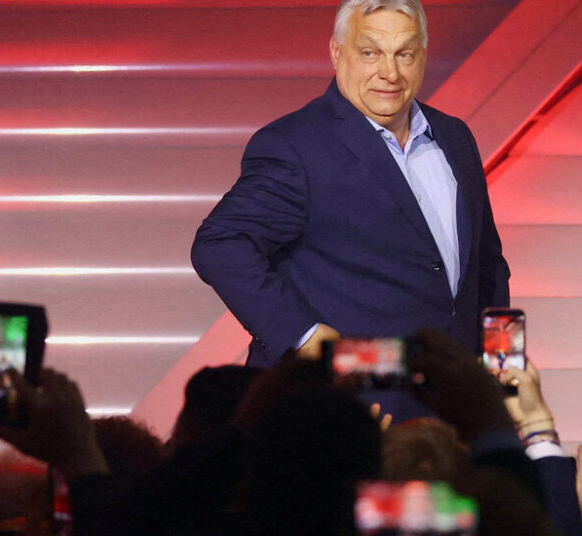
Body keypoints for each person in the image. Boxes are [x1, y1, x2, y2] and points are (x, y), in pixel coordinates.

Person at [190, 0, 510, 368]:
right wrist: (302, 335)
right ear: (337, 52)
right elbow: (220, 243)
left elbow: (488, 265)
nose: (390, 72)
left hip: (453, 389)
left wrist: (504, 363)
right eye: (371, 53)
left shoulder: (454, 136)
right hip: (344, 391)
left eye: (404, 54)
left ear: (423, 55)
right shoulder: (296, 146)